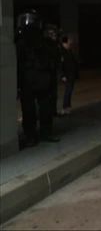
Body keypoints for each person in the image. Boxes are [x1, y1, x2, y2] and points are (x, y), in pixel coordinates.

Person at [16, 10, 61, 146]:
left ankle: (36, 135)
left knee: (38, 110)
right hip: (32, 82)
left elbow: (54, 62)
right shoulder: (22, 43)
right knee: (32, 110)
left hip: (37, 81)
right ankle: (35, 135)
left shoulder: (43, 43)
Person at [60, 36, 79, 115]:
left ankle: (68, 106)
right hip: (67, 74)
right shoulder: (62, 51)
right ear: (65, 42)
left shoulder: (69, 51)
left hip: (71, 74)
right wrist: (62, 75)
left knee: (70, 91)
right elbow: (60, 65)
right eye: (69, 41)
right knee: (68, 91)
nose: (70, 42)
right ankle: (65, 107)